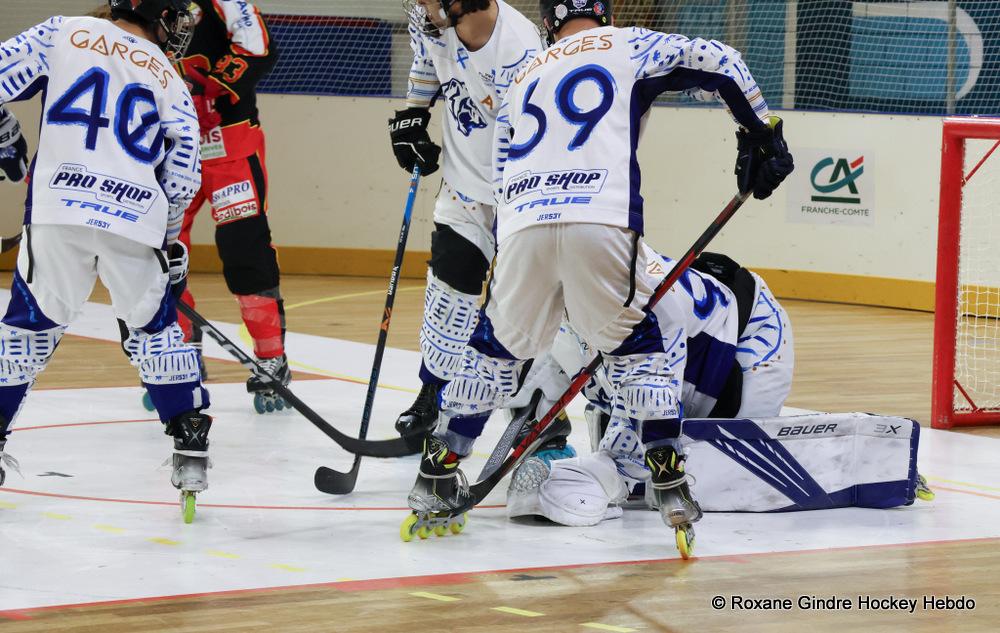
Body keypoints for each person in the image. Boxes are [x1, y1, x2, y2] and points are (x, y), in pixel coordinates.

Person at [401, 0, 794, 556]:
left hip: (522, 224)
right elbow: (720, 59)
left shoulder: (528, 70)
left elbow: (505, 162)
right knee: (639, 340)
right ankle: (665, 469)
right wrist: (762, 132)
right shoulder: (628, 43)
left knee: (495, 349)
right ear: (605, 16)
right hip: (601, 218)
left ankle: (439, 467)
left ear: (547, 26)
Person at [0, 1, 212, 522]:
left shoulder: (63, 31)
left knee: (29, 331)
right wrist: (166, 241)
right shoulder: (168, 75)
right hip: (136, 213)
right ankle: (189, 439)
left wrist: (6, 136)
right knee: (153, 329)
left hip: (58, 206)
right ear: (158, 14)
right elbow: (184, 173)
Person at [505, 246, 795, 525]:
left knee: (719, 473)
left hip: (753, 333)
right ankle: (552, 437)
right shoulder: (561, 279)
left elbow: (652, 391)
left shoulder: (649, 302)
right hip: (647, 333)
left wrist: (615, 469)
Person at [389, 0, 543, 435]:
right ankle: (432, 393)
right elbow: (427, 58)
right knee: (447, 297)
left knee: (519, 313)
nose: (418, 6)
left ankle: (537, 415)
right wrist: (414, 115)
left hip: (522, 194)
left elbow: (525, 142)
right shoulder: (435, 23)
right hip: (464, 188)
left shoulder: (521, 51)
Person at [174, 0, 285, 414]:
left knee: (244, 249)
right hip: (170, 146)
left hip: (229, 143)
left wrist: (207, 88)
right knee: (163, 251)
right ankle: (179, 352)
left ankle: (271, 357)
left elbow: (259, 46)